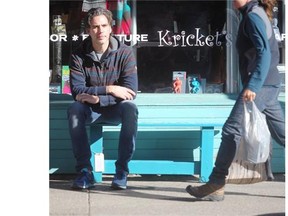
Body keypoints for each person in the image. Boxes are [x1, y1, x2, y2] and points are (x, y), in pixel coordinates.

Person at [186, 0, 285, 201]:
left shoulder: (253, 16)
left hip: (261, 86)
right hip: (269, 84)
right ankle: (216, 182)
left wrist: (253, 86)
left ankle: (216, 182)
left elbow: (264, 53)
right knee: (283, 134)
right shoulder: (255, 13)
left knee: (232, 130)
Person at [67, 7, 138, 190]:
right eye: (95, 27)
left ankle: (121, 171)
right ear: (88, 30)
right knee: (74, 109)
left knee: (130, 108)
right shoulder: (78, 55)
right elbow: (77, 91)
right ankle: (85, 171)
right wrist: (110, 89)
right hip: (89, 110)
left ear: (111, 27)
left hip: (114, 109)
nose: (100, 31)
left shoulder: (125, 53)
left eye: (104, 26)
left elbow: (130, 91)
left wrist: (100, 99)